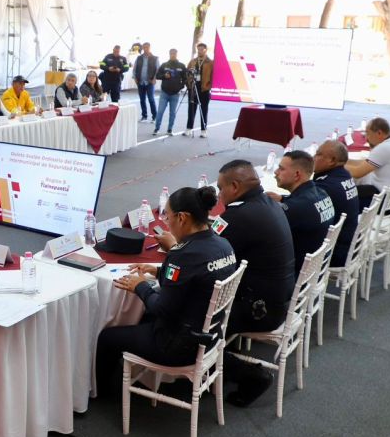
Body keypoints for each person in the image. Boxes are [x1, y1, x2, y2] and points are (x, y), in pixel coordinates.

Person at [96, 186, 237, 395]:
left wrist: (140, 286)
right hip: (211, 333)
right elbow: (195, 278)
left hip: (178, 345)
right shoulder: (223, 243)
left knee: (108, 337)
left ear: (182, 218)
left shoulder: (183, 255)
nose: (166, 223)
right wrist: (157, 271)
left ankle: (103, 394)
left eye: (168, 217)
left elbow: (161, 309)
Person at [214, 159, 295, 407]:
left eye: (221, 187)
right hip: (278, 298)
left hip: (259, 309)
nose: (219, 194)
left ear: (235, 187)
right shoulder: (269, 202)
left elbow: (211, 255)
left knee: (190, 328)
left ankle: (250, 375)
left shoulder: (239, 216)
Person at [268, 150, 335, 275]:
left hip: (295, 275)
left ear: (297, 175)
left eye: (281, 169)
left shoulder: (297, 208)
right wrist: (283, 198)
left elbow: (266, 233)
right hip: (315, 269)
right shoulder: (321, 193)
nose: (276, 172)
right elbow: (303, 204)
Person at [345, 117, 390, 205]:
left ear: (379, 133)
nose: (366, 138)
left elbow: (358, 173)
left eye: (368, 133)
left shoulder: (384, 148)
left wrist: (336, 165)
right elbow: (364, 163)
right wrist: (344, 161)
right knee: (357, 189)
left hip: (388, 201)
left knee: (345, 194)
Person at [312, 140, 359, 265]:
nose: (313, 158)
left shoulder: (327, 186)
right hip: (347, 243)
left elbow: (305, 209)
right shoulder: (344, 175)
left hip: (334, 253)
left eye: (318, 154)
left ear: (332, 161)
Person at [153, 48, 188, 136]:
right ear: (169, 54)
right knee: (160, 111)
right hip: (164, 92)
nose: (173, 55)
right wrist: (164, 76)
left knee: (172, 113)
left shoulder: (182, 66)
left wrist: (180, 87)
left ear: (177, 54)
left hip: (175, 94)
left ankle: (170, 129)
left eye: (174, 54)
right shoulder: (164, 65)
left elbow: (185, 79)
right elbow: (157, 76)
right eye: (171, 53)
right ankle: (156, 128)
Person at [186, 42, 214, 138]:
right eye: (198, 49)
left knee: (204, 110)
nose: (200, 51)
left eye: (202, 49)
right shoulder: (193, 61)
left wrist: (209, 86)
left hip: (204, 89)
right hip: (193, 88)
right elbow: (187, 72)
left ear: (205, 50)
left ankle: (203, 130)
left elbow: (213, 76)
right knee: (191, 109)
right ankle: (189, 128)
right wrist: (189, 83)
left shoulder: (210, 62)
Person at [132, 42, 158, 121]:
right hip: (140, 82)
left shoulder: (155, 58)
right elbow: (134, 69)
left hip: (150, 82)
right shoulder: (139, 58)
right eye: (144, 47)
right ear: (142, 48)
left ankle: (155, 117)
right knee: (142, 100)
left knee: (151, 99)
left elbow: (158, 69)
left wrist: (154, 79)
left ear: (150, 48)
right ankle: (144, 116)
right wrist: (135, 78)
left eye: (147, 47)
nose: (145, 49)